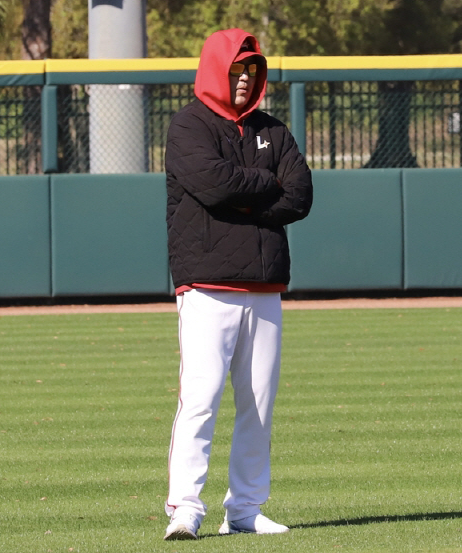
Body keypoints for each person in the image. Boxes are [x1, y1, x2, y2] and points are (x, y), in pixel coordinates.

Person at [163, 28, 313, 541]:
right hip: (205, 286)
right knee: (200, 399)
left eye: (251, 69)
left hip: (265, 286)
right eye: (236, 69)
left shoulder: (273, 128)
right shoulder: (188, 126)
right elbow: (215, 183)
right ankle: (185, 507)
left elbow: (301, 195)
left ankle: (245, 509)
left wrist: (247, 190)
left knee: (258, 405)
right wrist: (264, 182)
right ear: (215, 70)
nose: (245, 78)